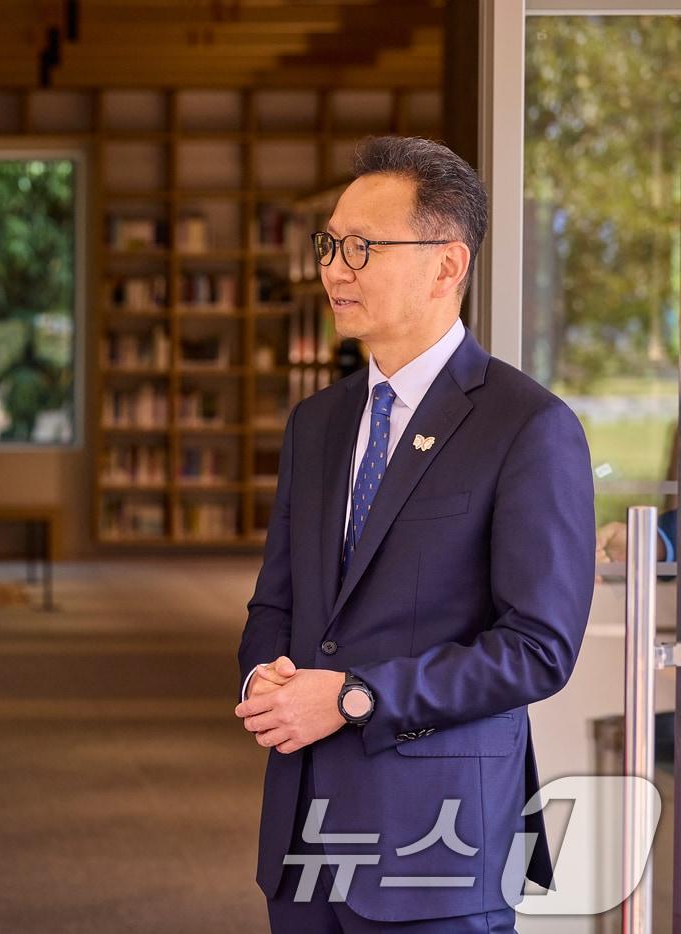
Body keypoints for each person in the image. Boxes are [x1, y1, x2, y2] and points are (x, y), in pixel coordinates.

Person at [234, 137, 594, 932]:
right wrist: (264, 679)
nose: (334, 268)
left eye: (362, 247)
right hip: (303, 839)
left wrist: (356, 698)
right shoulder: (316, 423)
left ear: (446, 265)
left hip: (438, 848)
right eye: (329, 244)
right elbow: (277, 603)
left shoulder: (529, 426)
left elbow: (537, 647)